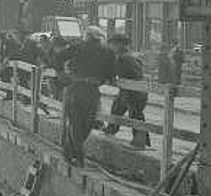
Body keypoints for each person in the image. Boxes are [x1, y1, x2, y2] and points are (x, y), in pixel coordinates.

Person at [60, 26, 114, 167]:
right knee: (87, 124)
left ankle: (71, 153)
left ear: (87, 36)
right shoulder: (108, 51)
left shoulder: (77, 47)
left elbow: (57, 58)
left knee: (75, 123)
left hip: (76, 88)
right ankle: (76, 155)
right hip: (92, 91)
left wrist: (63, 74)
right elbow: (111, 74)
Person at [104, 33, 150, 148]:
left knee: (135, 115)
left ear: (122, 45)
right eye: (112, 44)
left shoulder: (124, 58)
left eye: (114, 44)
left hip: (133, 92)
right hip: (134, 91)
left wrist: (109, 78)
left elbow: (115, 72)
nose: (112, 46)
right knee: (118, 107)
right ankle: (111, 129)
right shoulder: (130, 56)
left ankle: (141, 141)